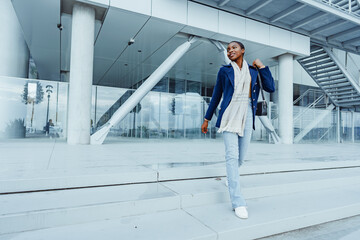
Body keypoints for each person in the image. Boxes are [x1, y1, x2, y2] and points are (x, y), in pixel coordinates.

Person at [201, 41, 275, 219]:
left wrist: (263, 67)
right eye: (228, 49)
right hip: (228, 115)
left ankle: (231, 176)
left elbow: (270, 88)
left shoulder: (253, 70)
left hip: (247, 114)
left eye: (234, 48)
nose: (230, 51)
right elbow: (217, 95)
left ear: (243, 50)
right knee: (232, 156)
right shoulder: (224, 71)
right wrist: (207, 118)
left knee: (241, 157)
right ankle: (238, 201)